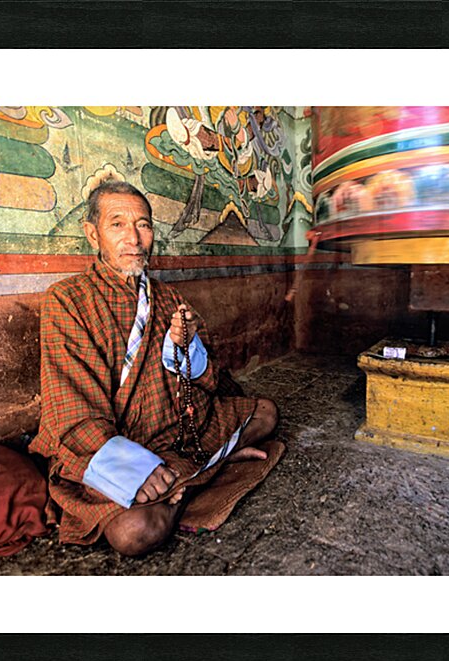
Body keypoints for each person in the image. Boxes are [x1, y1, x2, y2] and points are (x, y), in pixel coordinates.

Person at [30, 179, 279, 556]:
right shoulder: (66, 301)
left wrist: (187, 345)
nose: (133, 237)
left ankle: (182, 477)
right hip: (110, 444)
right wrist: (134, 469)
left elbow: (206, 380)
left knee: (265, 412)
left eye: (143, 225)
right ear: (92, 233)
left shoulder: (169, 298)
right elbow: (71, 409)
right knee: (136, 532)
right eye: (117, 224)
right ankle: (200, 471)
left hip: (175, 431)